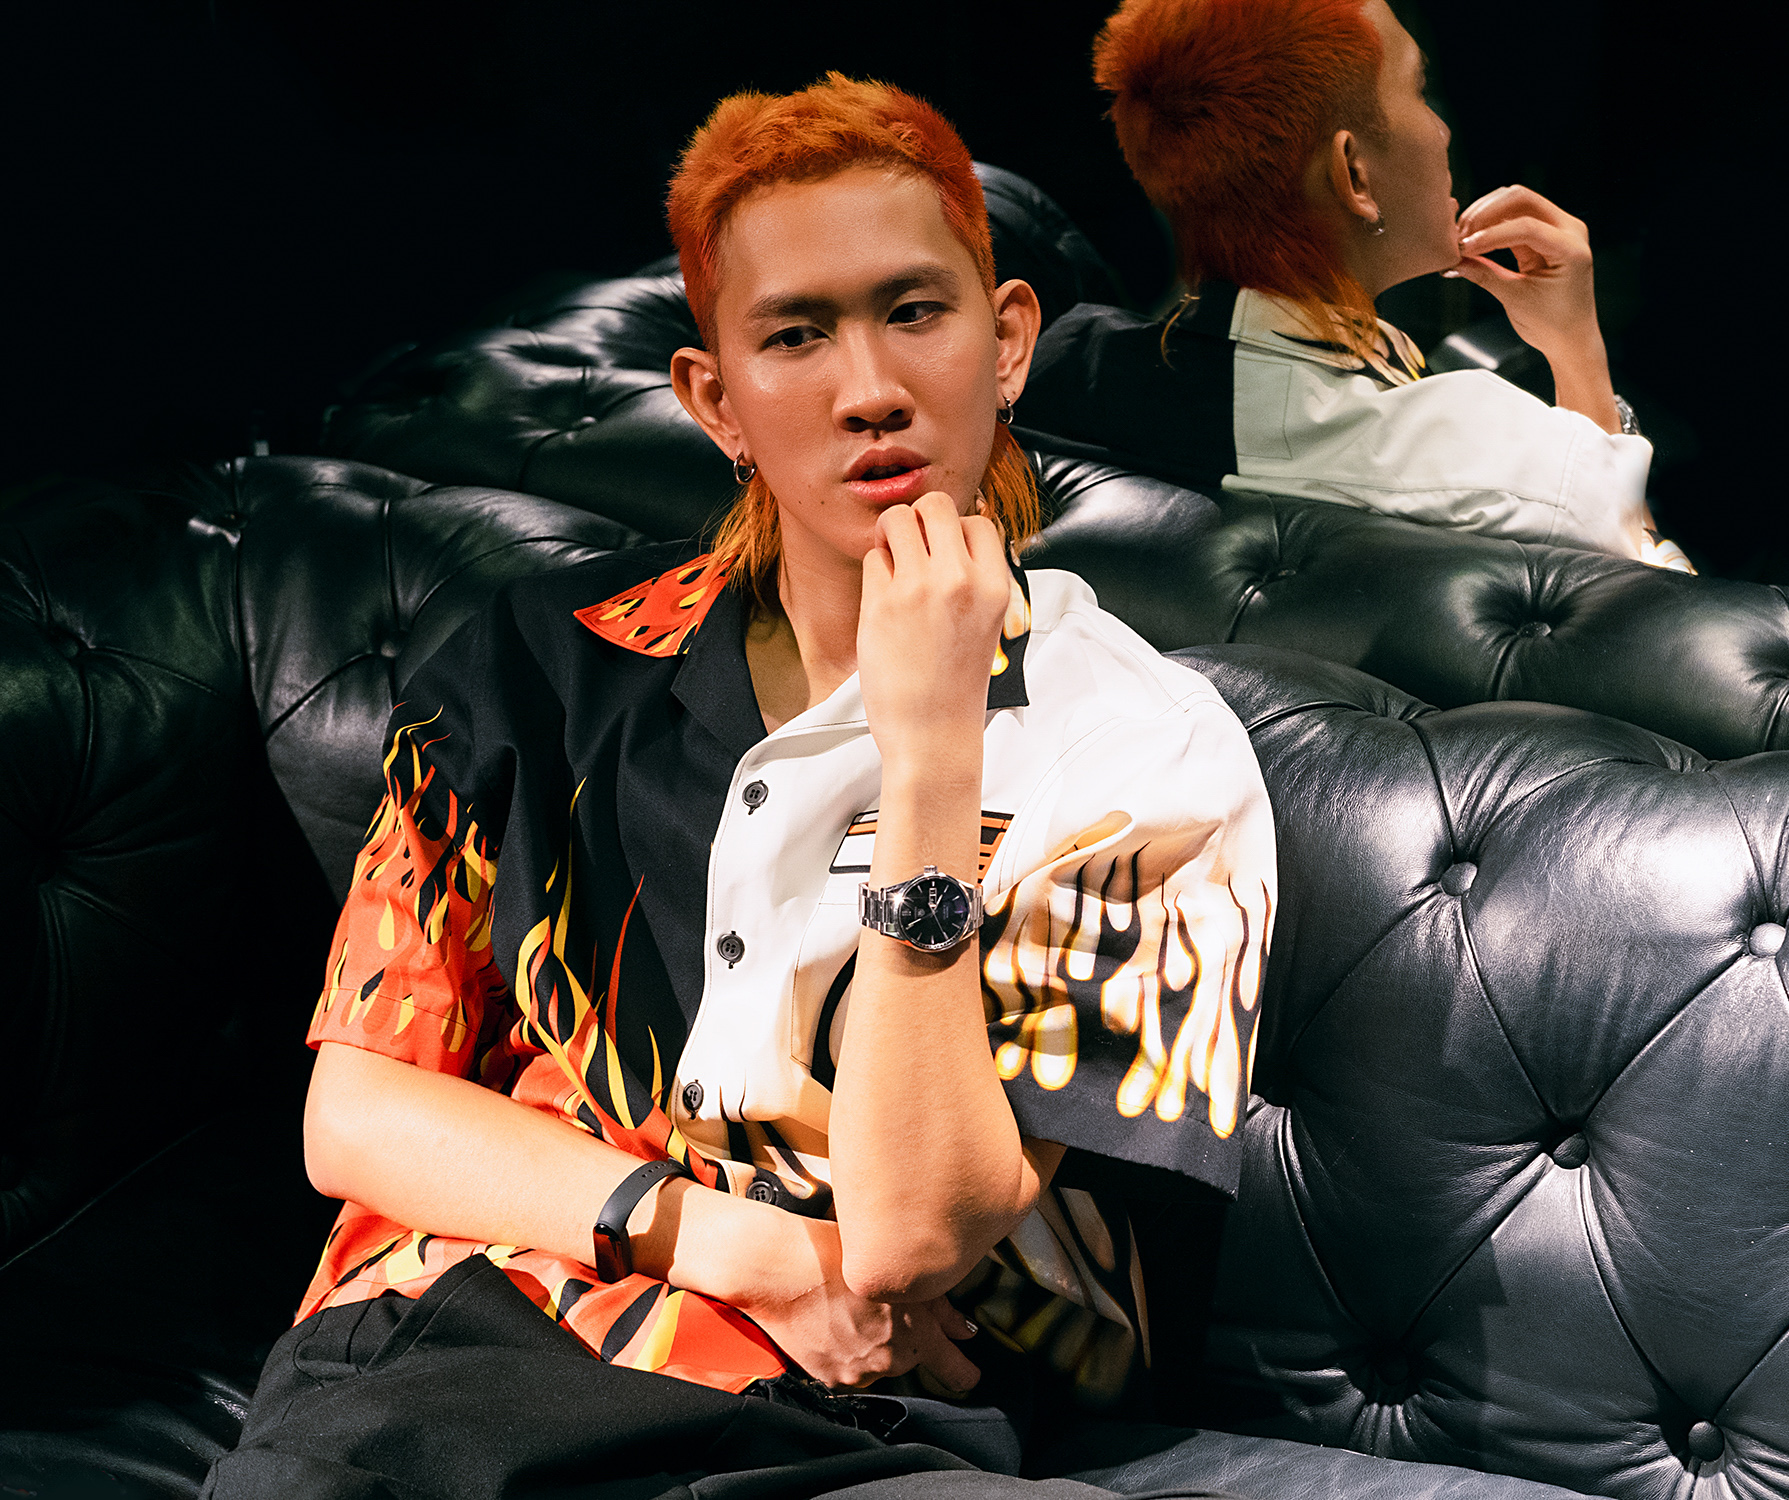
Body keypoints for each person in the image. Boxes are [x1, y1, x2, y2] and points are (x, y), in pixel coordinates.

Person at [207, 73, 1274, 1500]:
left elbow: (908, 1238)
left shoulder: (1142, 752)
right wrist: (738, 1245)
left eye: (915, 311)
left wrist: (931, 760)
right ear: (714, 398)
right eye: (795, 335)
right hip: (463, 1344)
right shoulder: (538, 665)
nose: (869, 388)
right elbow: (353, 1112)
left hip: (856, 1419)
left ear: (1009, 339)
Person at [1017, 0, 1695, 572]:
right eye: (1420, 91)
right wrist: (1576, 345)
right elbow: (1667, 602)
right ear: (1356, 176)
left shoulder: (1057, 367)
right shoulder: (1506, 460)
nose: (1443, 130)